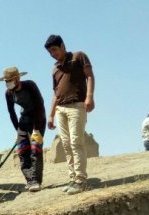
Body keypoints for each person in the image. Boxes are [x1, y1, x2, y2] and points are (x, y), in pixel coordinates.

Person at [44, 34, 95, 195]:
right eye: (50, 52)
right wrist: (51, 115)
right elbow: (55, 93)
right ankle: (73, 178)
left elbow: (90, 76)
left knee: (76, 142)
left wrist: (89, 97)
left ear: (63, 46)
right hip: (61, 109)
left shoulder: (78, 56)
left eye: (54, 49)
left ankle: (81, 180)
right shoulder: (55, 69)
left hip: (77, 106)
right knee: (66, 144)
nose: (53, 53)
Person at [0, 66, 46, 191]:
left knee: (35, 149)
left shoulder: (30, 86)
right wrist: (18, 131)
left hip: (37, 119)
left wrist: (36, 129)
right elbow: (11, 112)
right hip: (23, 122)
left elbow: (40, 106)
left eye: (10, 80)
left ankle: (36, 180)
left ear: (17, 78)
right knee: (23, 151)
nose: (7, 83)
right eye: (6, 81)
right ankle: (30, 180)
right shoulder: (9, 93)